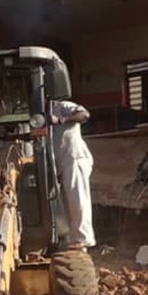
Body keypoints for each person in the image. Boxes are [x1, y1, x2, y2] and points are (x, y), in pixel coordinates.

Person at [49, 99, 95, 249]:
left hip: (73, 157)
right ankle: (71, 241)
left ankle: (83, 239)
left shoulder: (61, 106)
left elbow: (84, 115)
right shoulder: (35, 112)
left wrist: (61, 119)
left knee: (77, 198)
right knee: (64, 204)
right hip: (57, 163)